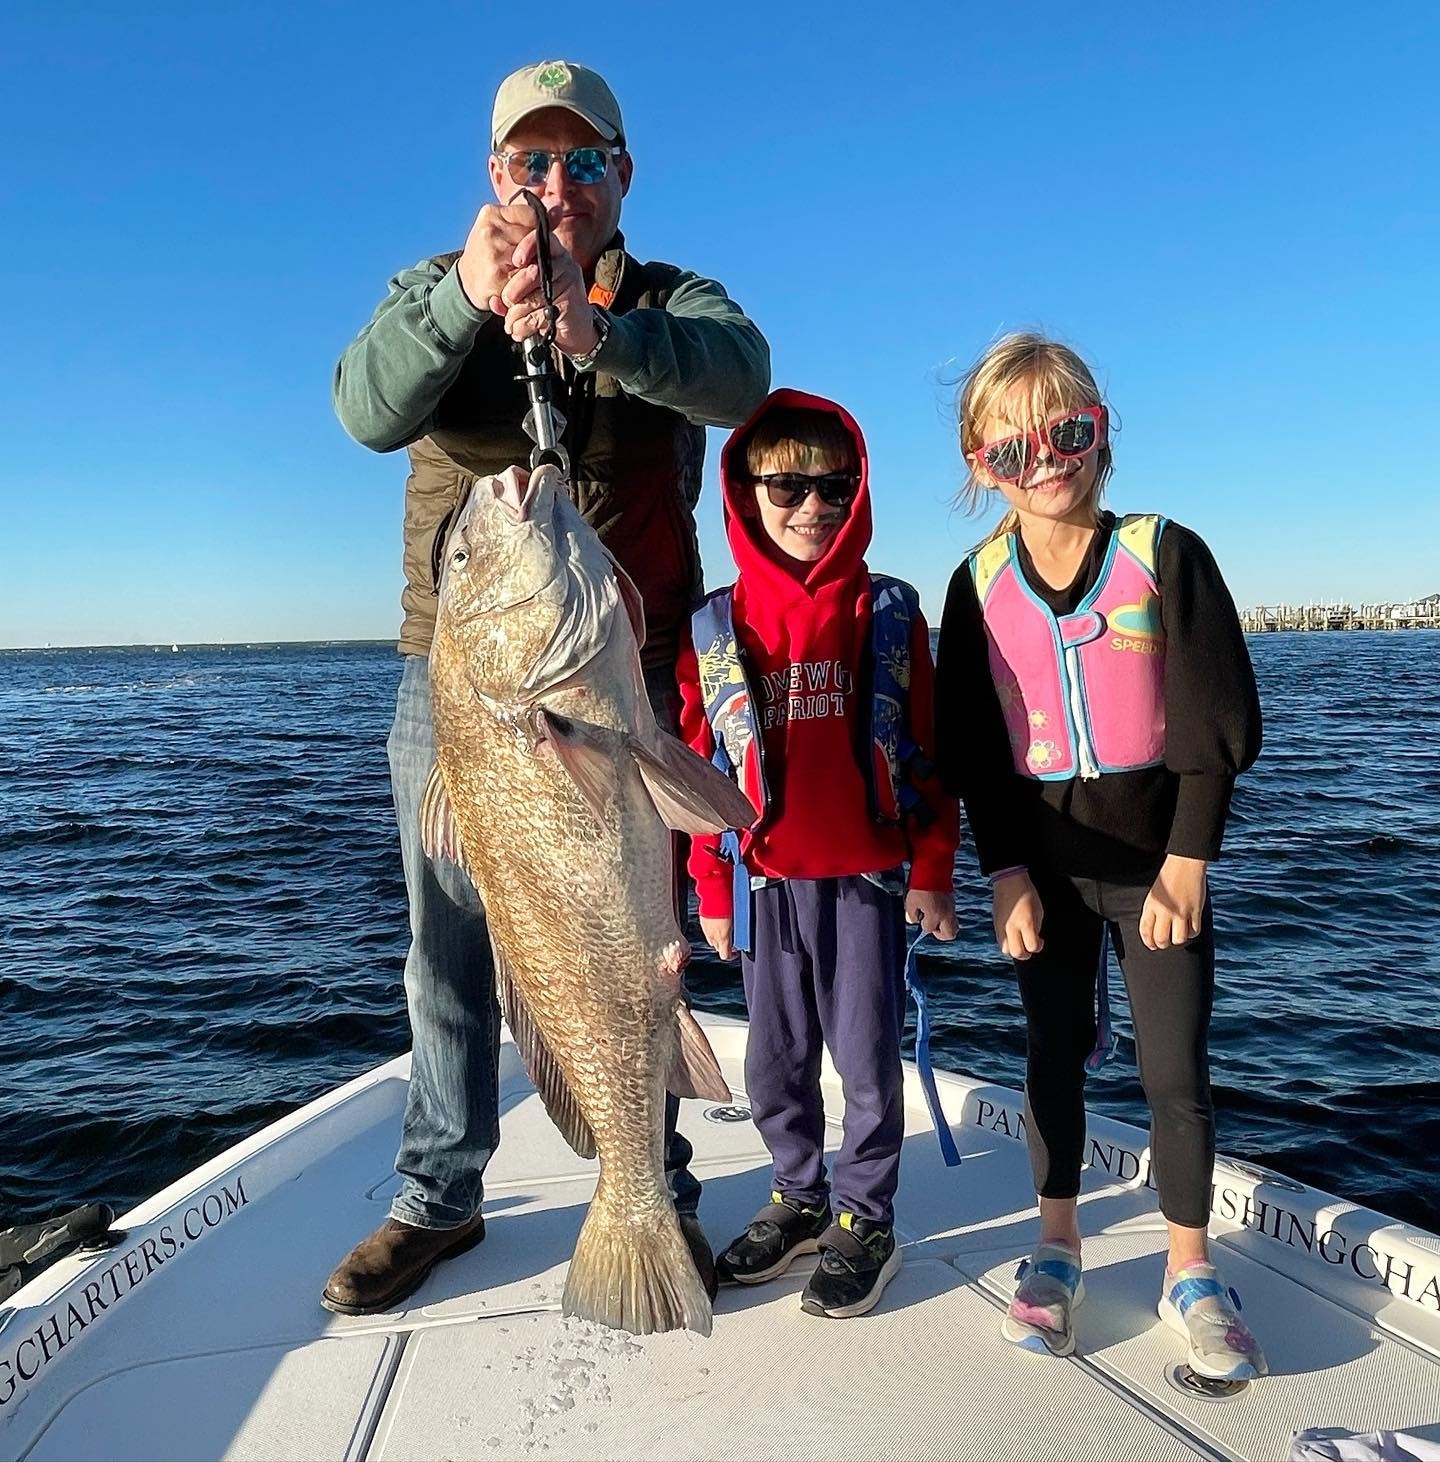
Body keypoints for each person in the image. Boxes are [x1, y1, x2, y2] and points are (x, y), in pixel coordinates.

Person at [324, 59, 770, 1315]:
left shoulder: (673, 297)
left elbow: (740, 378)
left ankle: (653, 1180)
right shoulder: (433, 288)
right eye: (532, 161)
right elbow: (365, 405)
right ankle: (438, 1195)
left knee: (638, 930)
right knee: (448, 943)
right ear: (493, 177)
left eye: (584, 161)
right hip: (461, 679)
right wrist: (471, 295)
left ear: (625, 176)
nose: (557, 185)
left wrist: (607, 338)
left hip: (624, 674)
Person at [934, 334, 1266, 1379]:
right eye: (1015, 445)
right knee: (1050, 1057)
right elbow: (979, 754)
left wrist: (1188, 862)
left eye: (1069, 431)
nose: (1047, 458)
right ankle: (1057, 1246)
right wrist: (1003, 872)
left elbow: (1215, 718)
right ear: (981, 464)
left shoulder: (1167, 553)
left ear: (1101, 433)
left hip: (1157, 869)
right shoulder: (973, 582)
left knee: (1174, 1069)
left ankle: (1190, 1269)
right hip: (1045, 871)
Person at [677, 389, 959, 1319]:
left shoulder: (890, 614)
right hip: (764, 891)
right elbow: (699, 772)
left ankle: (867, 1216)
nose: (811, 507)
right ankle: (799, 1196)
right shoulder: (712, 628)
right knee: (774, 1060)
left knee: (866, 1062)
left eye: (834, 486)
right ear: (744, 495)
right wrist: (711, 887)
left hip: (867, 885)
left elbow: (930, 755)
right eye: (786, 486)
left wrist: (931, 869)